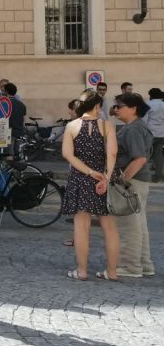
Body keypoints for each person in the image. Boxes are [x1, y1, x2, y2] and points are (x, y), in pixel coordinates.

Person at [61, 88, 119, 281]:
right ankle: (111, 272)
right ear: (97, 106)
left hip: (80, 179)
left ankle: (82, 270)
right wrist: (105, 178)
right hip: (103, 179)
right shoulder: (107, 126)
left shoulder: (71, 126)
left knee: (81, 227)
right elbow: (112, 154)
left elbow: (68, 155)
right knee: (109, 228)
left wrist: (89, 173)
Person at [113, 93, 154, 279]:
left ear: (133, 108)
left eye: (119, 106)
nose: (116, 109)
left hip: (132, 181)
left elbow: (140, 158)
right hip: (140, 180)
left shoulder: (133, 129)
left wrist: (123, 180)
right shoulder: (137, 127)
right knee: (139, 224)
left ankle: (131, 266)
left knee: (129, 225)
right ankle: (145, 265)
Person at [146, 88, 164, 183]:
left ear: (151, 95)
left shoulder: (148, 104)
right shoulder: (163, 104)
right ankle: (159, 175)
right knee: (158, 155)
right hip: (161, 133)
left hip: (150, 132)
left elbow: (144, 118)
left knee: (145, 153)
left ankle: (143, 175)